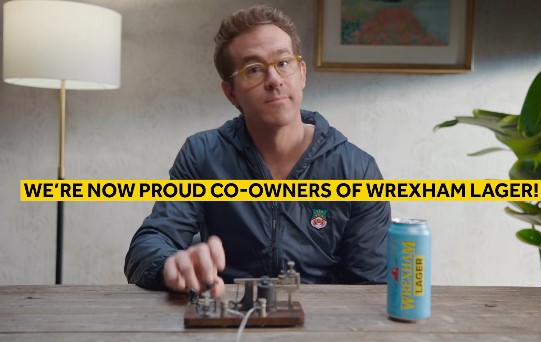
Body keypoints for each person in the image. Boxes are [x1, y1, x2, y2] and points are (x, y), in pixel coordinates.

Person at [124, 5, 391, 297]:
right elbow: (148, 245)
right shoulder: (202, 155)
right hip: (224, 316)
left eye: (284, 63)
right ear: (231, 93)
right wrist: (171, 265)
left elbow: (370, 287)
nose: (274, 79)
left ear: (301, 73)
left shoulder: (357, 170)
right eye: (253, 70)